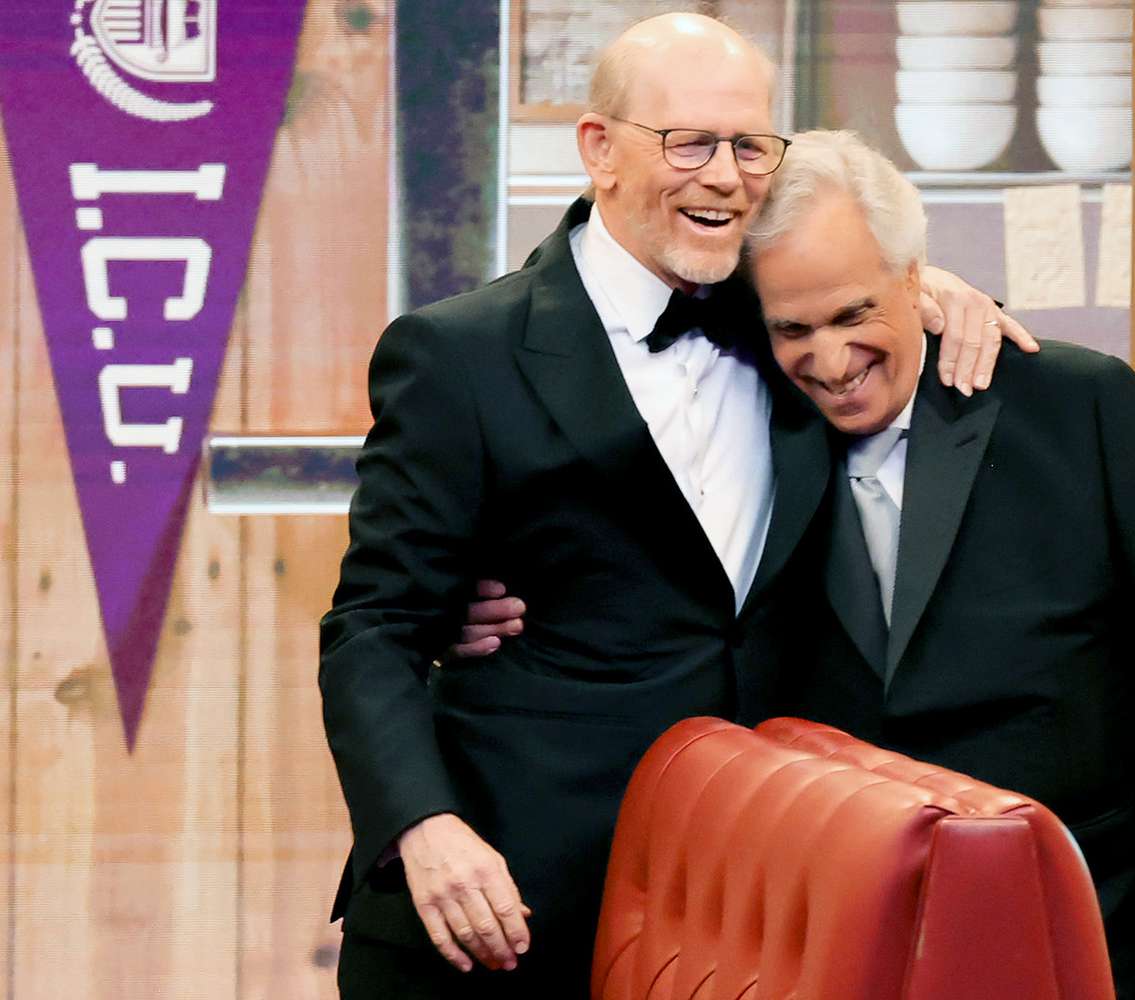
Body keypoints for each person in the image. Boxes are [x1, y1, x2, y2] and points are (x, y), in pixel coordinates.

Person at [463, 132, 1135, 999]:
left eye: (855, 314)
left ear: (916, 278)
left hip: (1091, 926)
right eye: (793, 328)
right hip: (835, 948)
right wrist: (458, 606)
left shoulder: (1079, 405)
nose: (829, 362)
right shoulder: (740, 423)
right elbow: (583, 351)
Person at [319, 15, 1034, 999]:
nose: (726, 174)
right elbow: (372, 628)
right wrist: (421, 827)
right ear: (599, 150)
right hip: (504, 908)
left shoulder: (796, 330)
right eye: (690, 142)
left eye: (750, 146)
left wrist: (935, 289)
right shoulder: (460, 355)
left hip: (748, 919)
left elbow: (871, 300)